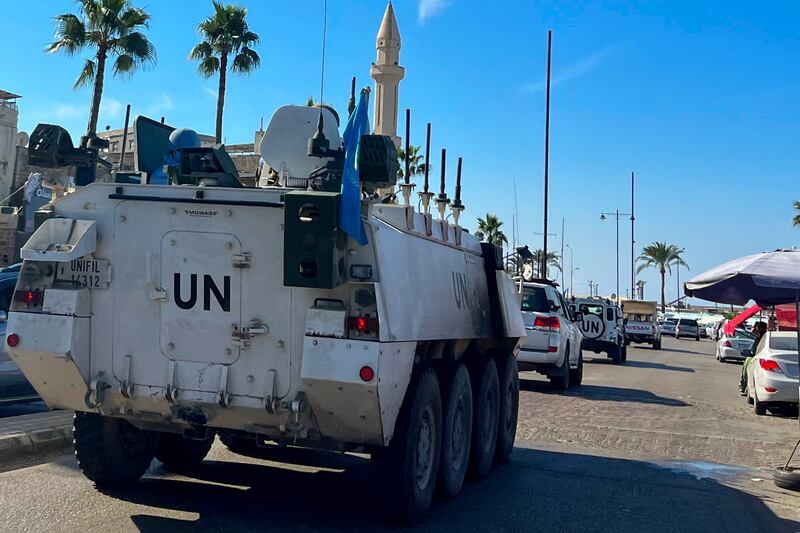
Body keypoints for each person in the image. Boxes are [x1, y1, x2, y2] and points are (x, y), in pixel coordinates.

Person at [740, 321, 767, 395]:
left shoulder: (763, 338)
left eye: (755, 327)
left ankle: (745, 387)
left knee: (748, 368)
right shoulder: (759, 338)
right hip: (755, 358)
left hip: (756, 359)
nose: (753, 329)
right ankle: (745, 387)